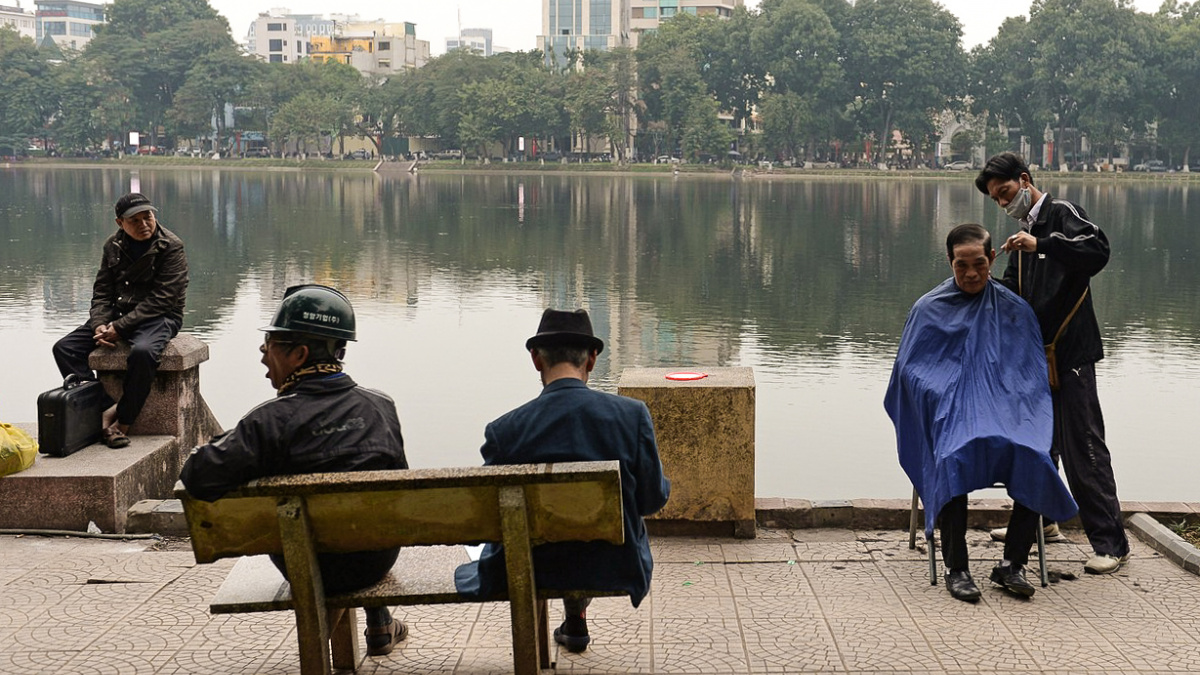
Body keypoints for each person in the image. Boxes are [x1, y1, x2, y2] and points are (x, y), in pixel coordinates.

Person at [180, 284, 409, 656]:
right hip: (376, 558)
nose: (262, 355)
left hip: (310, 562)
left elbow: (197, 477)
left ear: (299, 354)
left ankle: (320, 654)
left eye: (269, 344)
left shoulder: (268, 422)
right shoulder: (381, 406)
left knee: (322, 529)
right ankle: (378, 622)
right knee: (354, 517)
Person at [454, 308, 670, 652]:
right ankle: (576, 614)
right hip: (612, 564)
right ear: (593, 359)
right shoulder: (632, 417)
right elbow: (652, 500)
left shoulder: (505, 431)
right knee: (583, 539)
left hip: (533, 566)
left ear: (536, 359)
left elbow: (490, 523)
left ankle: (568, 618)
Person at [886, 224, 1077, 602]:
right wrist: (940, 394)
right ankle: (957, 567)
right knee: (954, 454)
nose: (971, 274)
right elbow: (909, 373)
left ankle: (1013, 564)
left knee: (1036, 456)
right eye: (961, 266)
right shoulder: (928, 309)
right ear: (949, 262)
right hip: (949, 414)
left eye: (978, 264)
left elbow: (1029, 374)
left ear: (991, 259)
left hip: (1008, 409)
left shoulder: (1014, 309)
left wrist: (1009, 402)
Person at [975, 153, 1131, 575]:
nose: (1005, 204)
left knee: (1083, 447)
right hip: (1038, 360)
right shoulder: (1022, 237)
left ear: (1024, 181)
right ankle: (1041, 522)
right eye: (997, 201)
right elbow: (1014, 294)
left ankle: (1111, 543)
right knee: (1039, 444)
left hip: (1073, 354)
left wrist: (1043, 244)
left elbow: (1097, 250)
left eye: (1006, 193)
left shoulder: (1062, 214)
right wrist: (984, 279)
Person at [52, 192, 188, 448]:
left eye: (147, 217)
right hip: (118, 314)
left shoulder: (171, 246)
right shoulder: (112, 246)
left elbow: (163, 298)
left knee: (143, 353)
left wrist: (120, 327)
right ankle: (105, 407)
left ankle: (123, 421)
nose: (144, 224)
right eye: (134, 220)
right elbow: (102, 291)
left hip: (159, 317)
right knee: (65, 348)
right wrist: (100, 324)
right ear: (120, 223)